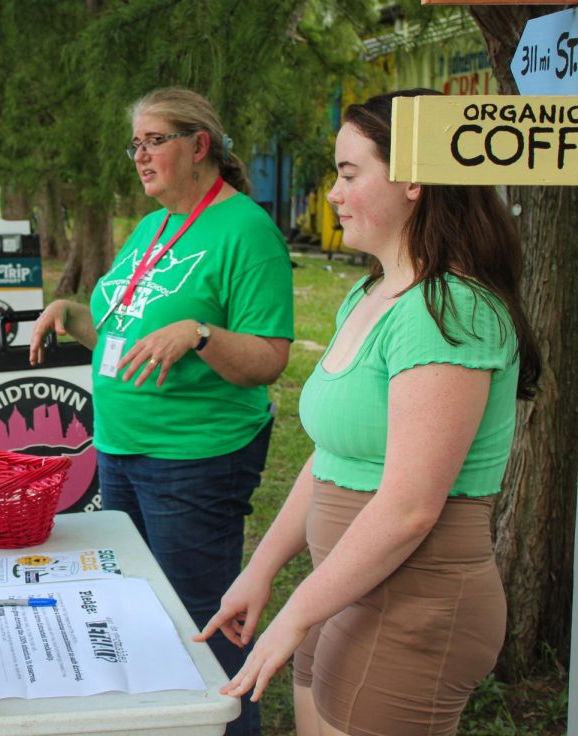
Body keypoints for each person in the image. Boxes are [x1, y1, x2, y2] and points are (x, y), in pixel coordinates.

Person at [199, 89, 541, 736]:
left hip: (415, 604)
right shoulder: (369, 293)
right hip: (344, 589)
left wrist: (299, 610)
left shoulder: (452, 311)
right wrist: (264, 569)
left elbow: (410, 507)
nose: (332, 193)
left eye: (349, 173)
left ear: (412, 180)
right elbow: (334, 461)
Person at [29, 86, 294, 736]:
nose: (140, 156)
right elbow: (127, 341)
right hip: (123, 449)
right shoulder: (152, 227)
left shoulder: (245, 231)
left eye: (155, 141)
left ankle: (232, 725)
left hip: (194, 459)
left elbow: (269, 357)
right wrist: (71, 316)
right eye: (136, 143)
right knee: (143, 614)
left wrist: (201, 334)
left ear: (198, 145)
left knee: (204, 621)